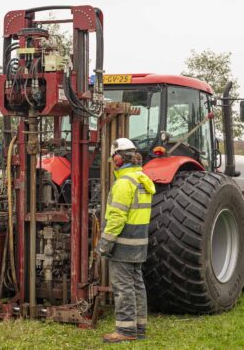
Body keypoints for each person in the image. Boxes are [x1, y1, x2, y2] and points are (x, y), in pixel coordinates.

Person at [97, 138, 156, 343]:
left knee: (123, 288)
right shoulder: (142, 180)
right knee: (136, 285)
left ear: (119, 159)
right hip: (138, 244)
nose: (113, 161)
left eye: (114, 157)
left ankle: (125, 331)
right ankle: (139, 328)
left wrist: (105, 243)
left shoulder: (123, 183)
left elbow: (117, 218)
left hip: (123, 245)